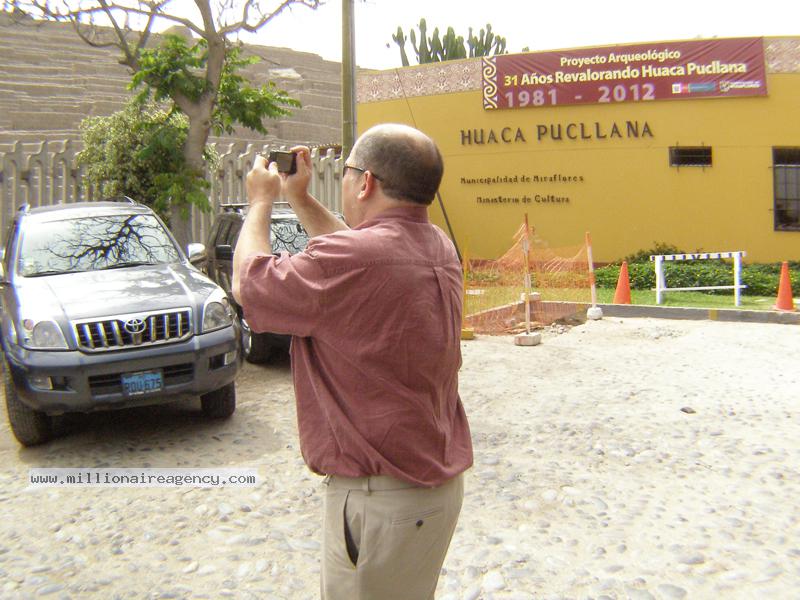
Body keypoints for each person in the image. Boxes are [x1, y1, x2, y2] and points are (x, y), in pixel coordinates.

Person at [232, 123, 473, 599]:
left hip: (379, 500)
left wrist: (261, 200)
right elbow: (357, 253)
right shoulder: (436, 246)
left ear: (365, 183)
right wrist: (299, 200)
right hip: (429, 491)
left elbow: (248, 285)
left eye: (346, 174)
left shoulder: (358, 257)